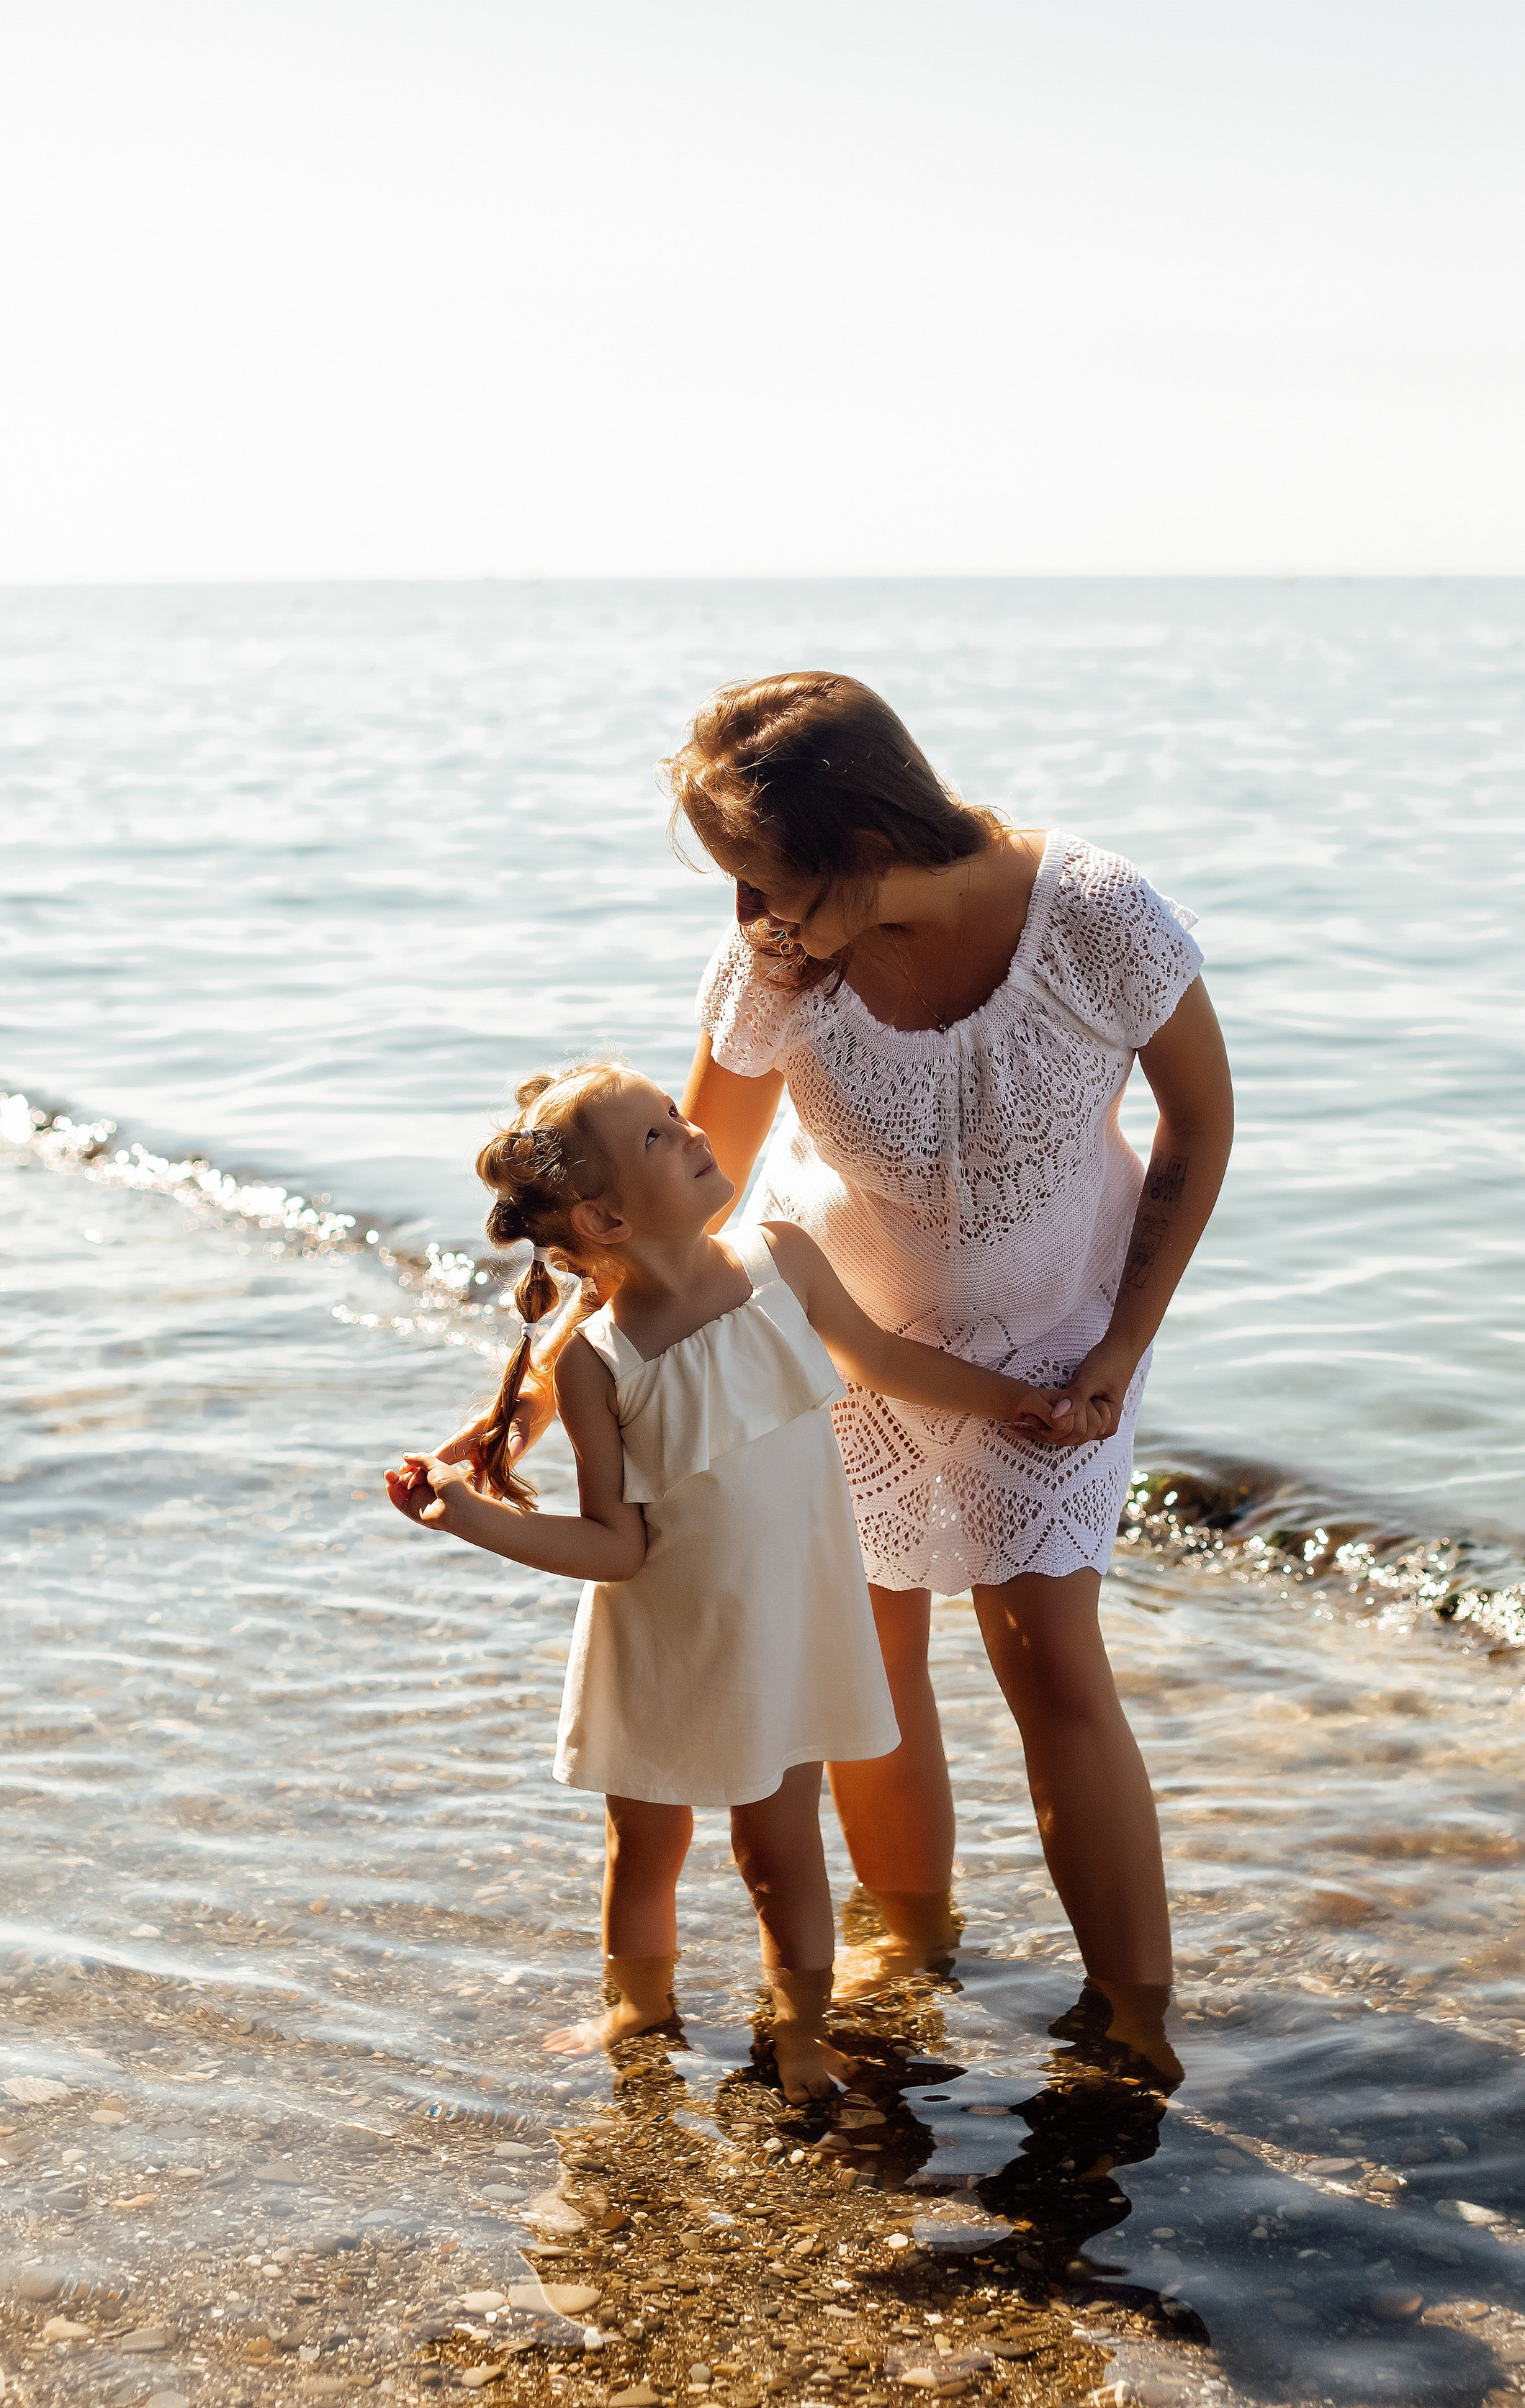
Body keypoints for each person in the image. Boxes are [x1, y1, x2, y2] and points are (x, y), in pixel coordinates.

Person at [492, 674, 1233, 2083]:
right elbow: (678, 1205)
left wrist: (1124, 1345)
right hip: (829, 1339)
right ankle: (916, 1946)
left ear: (867, 851)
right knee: (862, 1658)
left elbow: (1199, 1123)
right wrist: (542, 1381)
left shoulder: (1093, 918)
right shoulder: (781, 965)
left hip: (1057, 1341)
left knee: (1049, 1656)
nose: (744, 920)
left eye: (758, 882)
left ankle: (1133, 2020)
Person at [384, 1058, 1087, 2100]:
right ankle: (639, 2005)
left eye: (673, 1109)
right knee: (645, 1841)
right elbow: (615, 1546)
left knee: (779, 1844)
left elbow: (886, 1360)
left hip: (783, 1626)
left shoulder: (782, 1261)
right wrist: (476, 1518)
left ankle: (801, 2032)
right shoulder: (597, 1364)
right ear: (606, 1215)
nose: (691, 1125)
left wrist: (1015, 1397)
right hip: (658, 1637)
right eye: (659, 1133)